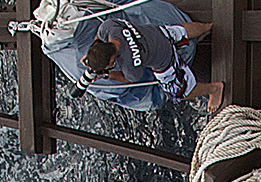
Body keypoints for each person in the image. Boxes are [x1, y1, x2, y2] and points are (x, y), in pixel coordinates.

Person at [76, 14, 221, 113]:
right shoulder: (110, 27)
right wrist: (93, 52)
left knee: (178, 92)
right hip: (158, 34)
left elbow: (130, 79)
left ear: (111, 60)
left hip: (164, 59)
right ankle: (207, 27)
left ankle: (214, 89)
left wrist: (107, 75)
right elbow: (99, 36)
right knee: (181, 31)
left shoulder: (129, 64)